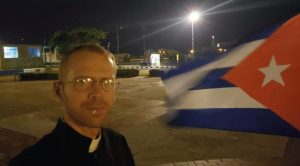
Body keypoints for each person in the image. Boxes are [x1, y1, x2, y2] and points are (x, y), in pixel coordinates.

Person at [9, 43, 135, 166]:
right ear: (59, 91)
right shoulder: (29, 161)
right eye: (82, 81)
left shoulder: (118, 143)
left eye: (108, 82)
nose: (97, 93)